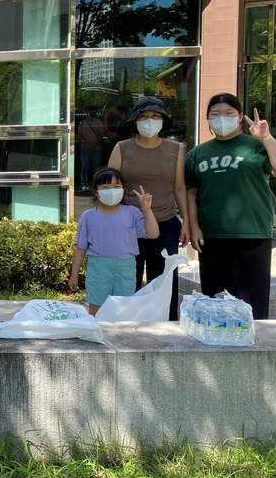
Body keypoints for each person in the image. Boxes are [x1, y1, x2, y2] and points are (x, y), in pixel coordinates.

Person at [185, 94, 276, 319]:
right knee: (213, 303)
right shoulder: (198, 153)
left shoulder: (255, 146)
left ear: (239, 118)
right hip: (212, 234)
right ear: (207, 119)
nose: (222, 118)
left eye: (229, 113)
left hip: (252, 233)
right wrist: (194, 227)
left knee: (251, 305)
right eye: (215, 114)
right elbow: (191, 193)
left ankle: (252, 348)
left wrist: (266, 138)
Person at [107, 96, 188, 320]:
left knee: (163, 284)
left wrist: (186, 222)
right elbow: (110, 184)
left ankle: (164, 330)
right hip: (129, 226)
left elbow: (180, 188)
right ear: (135, 121)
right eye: (143, 117)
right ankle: (124, 327)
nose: (149, 121)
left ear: (163, 120)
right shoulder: (122, 148)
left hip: (166, 225)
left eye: (155, 116)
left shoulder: (175, 149)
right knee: (126, 282)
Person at [69, 167, 159, 315]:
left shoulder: (132, 213)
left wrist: (147, 209)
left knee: (123, 310)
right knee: (96, 310)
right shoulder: (88, 216)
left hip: (126, 268)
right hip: (99, 268)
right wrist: (74, 275)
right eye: (105, 187)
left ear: (123, 189)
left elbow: (153, 234)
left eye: (116, 187)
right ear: (96, 192)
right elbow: (80, 247)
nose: (111, 190)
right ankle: (97, 335)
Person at [78, 106, 104, 190]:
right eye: (90, 111)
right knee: (85, 167)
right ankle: (84, 184)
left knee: (96, 167)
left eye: (93, 111)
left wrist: (93, 144)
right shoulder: (82, 123)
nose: (92, 113)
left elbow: (101, 135)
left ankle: (96, 184)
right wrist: (90, 144)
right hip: (85, 148)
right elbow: (80, 135)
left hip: (95, 148)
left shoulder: (99, 122)